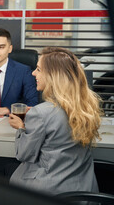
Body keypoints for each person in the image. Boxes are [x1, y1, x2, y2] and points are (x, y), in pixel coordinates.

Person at [9, 47, 102, 195]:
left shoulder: (40, 113)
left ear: (53, 76)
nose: (33, 73)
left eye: (38, 69)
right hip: (83, 191)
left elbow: (23, 154)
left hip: (47, 193)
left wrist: (21, 127)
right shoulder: (87, 107)